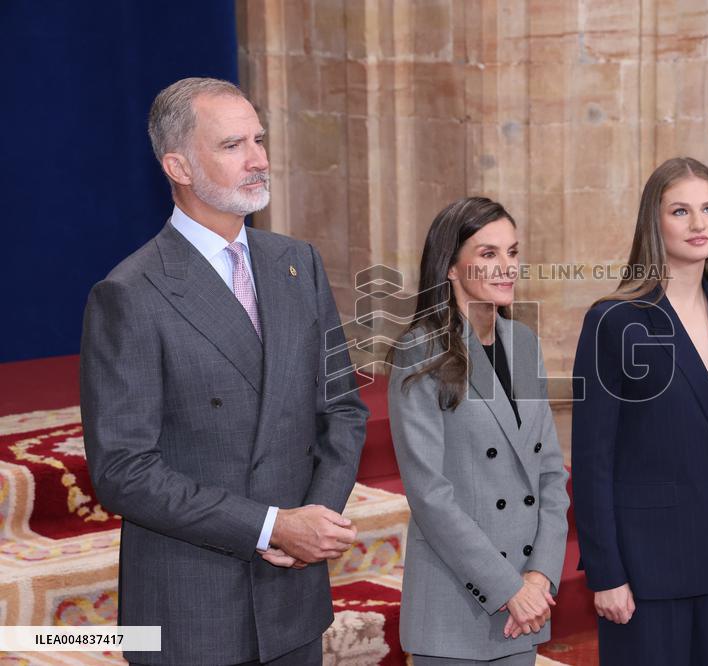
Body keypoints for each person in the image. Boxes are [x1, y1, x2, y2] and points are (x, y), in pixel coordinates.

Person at [80, 77, 369, 665]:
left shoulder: (298, 262)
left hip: (294, 599)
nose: (260, 159)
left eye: (259, 139)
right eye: (233, 145)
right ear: (179, 166)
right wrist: (270, 528)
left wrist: (312, 523)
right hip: (193, 609)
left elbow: (341, 408)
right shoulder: (130, 292)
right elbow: (124, 470)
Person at [572, 157, 708, 664]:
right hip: (646, 566)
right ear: (654, 223)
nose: (699, 223)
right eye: (681, 211)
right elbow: (593, 461)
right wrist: (606, 572)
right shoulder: (614, 321)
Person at [386, 197, 570, 665]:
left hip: (524, 610)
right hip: (457, 607)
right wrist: (508, 588)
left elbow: (550, 472)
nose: (506, 267)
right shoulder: (420, 351)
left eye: (512, 252)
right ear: (450, 267)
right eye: (488, 254)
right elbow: (429, 495)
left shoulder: (522, 343)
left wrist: (540, 577)